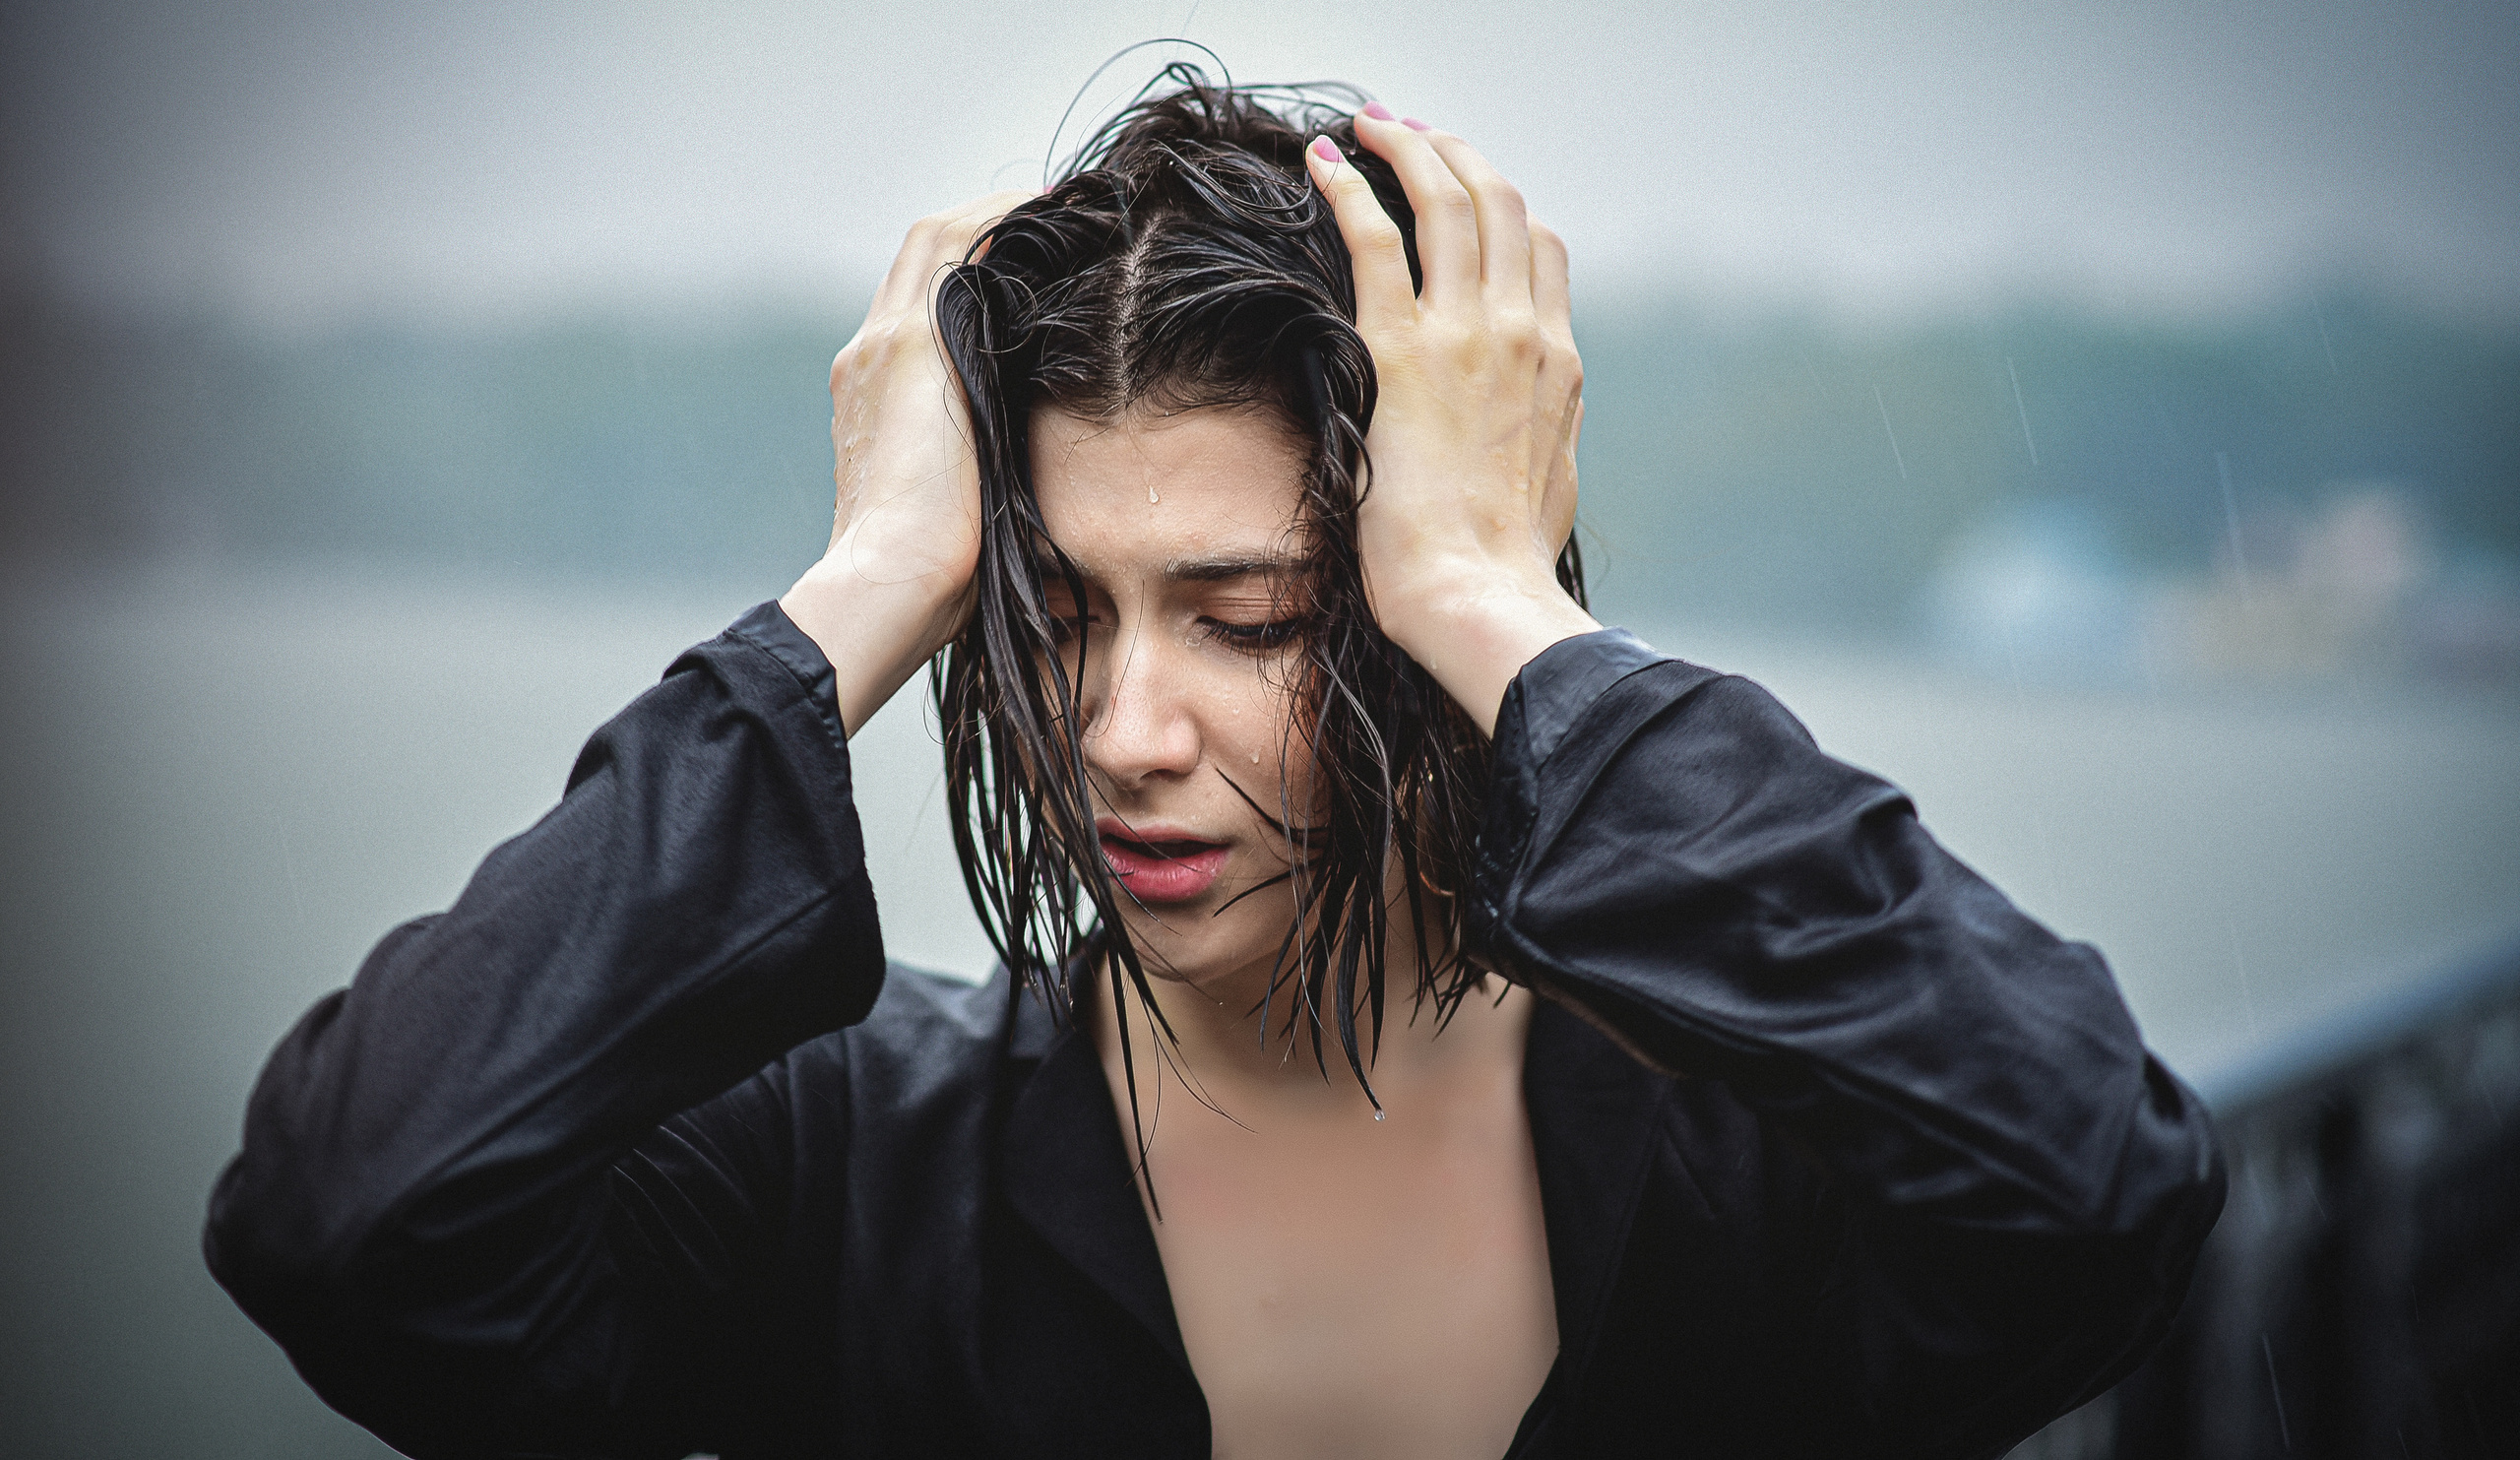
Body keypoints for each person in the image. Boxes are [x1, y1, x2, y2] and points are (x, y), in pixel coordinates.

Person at [205, 72, 2226, 1459]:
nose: (1119, 737)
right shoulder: (849, 1169)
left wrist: (1504, 615)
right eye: (1052, 615)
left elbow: (2092, 1182)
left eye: (1246, 619)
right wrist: (860, 592)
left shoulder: (1742, 1165)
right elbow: (348, 1215)